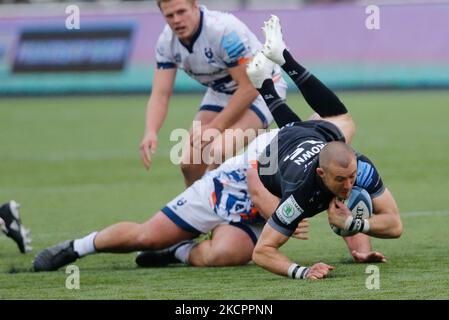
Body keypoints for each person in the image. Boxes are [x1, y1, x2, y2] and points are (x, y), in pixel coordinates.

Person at [244, 15, 403, 280]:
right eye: (341, 179)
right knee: (290, 131)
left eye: (351, 177)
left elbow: (395, 225)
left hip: (312, 136)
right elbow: (261, 252)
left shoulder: (360, 167)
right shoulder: (298, 198)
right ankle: (268, 80)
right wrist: (302, 272)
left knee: (344, 121)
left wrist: (355, 224)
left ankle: (277, 66)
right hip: (271, 160)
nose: (350, 185)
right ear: (321, 175)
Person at [32, 130, 309, 272]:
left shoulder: (332, 160)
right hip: (220, 191)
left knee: (224, 256)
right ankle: (76, 248)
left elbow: (341, 201)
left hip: (256, 218)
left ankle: (178, 251)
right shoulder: (284, 137)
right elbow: (256, 185)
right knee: (144, 237)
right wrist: (283, 217)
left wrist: (353, 242)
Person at [140, 0, 287, 187]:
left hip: (262, 88)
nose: (176, 20)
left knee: (218, 151)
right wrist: (150, 131)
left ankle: (221, 204)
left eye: (181, 12)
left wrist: (215, 127)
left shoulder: (224, 31)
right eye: (169, 15)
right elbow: (160, 94)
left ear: (195, 6)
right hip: (221, 91)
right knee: (189, 164)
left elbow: (249, 87)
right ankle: (196, 210)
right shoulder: (166, 42)